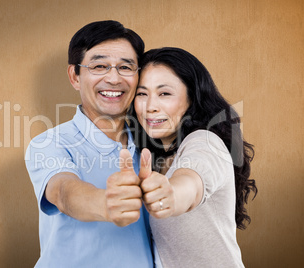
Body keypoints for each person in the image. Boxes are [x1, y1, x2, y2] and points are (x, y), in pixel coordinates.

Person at [25, 20, 153, 267]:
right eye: (99, 66)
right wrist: (106, 203)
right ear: (75, 76)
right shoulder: (49, 144)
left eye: (126, 67)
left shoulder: (152, 142)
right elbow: (63, 191)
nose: (114, 78)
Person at [130, 47, 258, 267]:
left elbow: (191, 181)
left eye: (164, 93)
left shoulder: (204, 142)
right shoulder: (156, 157)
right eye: (142, 94)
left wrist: (172, 194)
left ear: (192, 97)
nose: (150, 107)